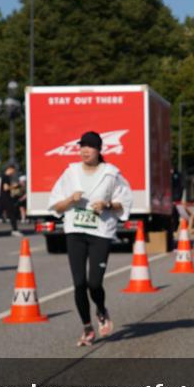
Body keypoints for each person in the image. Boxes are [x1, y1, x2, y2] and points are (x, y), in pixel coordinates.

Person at [48, 131, 132, 346]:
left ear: (99, 150)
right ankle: (87, 327)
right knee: (78, 283)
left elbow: (124, 202)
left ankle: (101, 310)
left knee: (94, 282)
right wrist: (69, 199)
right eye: (82, 146)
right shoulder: (71, 173)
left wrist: (107, 205)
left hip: (100, 233)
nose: (85, 150)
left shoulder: (111, 174)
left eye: (90, 146)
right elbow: (55, 205)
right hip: (75, 231)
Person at [0, 164, 22, 236]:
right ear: (10, 169)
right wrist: (15, 186)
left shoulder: (4, 176)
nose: (13, 172)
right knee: (12, 214)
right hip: (6, 198)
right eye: (13, 171)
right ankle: (15, 230)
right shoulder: (6, 177)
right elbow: (5, 188)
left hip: (4, 198)